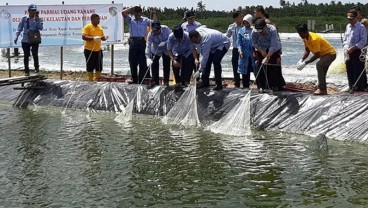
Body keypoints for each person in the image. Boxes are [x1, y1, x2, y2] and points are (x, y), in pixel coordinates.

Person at [295, 23, 336, 95]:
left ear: (306, 31)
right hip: (323, 55)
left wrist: (305, 63)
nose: (300, 35)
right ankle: (323, 89)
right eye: (299, 34)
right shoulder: (305, 38)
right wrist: (302, 59)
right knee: (322, 72)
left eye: (301, 33)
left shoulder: (314, 39)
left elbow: (317, 55)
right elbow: (307, 50)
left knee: (319, 65)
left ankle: (322, 89)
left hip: (330, 54)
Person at [122, 6, 157, 84]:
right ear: (133, 12)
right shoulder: (130, 19)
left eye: (139, 12)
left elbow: (155, 23)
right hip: (133, 42)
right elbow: (123, 13)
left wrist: (154, 13)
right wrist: (132, 8)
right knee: (132, 61)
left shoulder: (145, 20)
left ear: (141, 13)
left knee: (143, 62)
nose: (137, 14)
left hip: (142, 41)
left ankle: (141, 80)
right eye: (136, 12)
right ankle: (134, 79)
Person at [251, 18, 285, 92]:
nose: (260, 33)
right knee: (260, 66)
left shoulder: (272, 30)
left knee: (273, 67)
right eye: (258, 31)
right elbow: (254, 43)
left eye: (261, 31)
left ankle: (274, 86)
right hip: (262, 48)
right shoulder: (254, 31)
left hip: (273, 49)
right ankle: (261, 87)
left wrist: (267, 57)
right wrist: (261, 51)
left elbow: (273, 45)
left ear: (265, 27)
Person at [14, 4, 43, 76]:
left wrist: (37, 20)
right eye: (32, 10)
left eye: (35, 10)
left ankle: (36, 68)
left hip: (34, 39)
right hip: (25, 40)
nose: (33, 12)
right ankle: (26, 71)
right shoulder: (24, 19)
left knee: (35, 54)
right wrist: (16, 36)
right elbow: (19, 28)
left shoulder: (38, 19)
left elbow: (40, 28)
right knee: (26, 55)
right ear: (29, 11)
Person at [343, 9, 368, 92]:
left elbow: (363, 41)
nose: (349, 20)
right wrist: (346, 46)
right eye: (348, 18)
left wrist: (353, 48)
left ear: (356, 18)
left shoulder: (361, 27)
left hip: (357, 51)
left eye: (351, 18)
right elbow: (346, 38)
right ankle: (351, 87)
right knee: (349, 70)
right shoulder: (348, 26)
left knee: (358, 70)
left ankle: (359, 89)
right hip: (348, 51)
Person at [81, 14, 109, 81]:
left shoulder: (100, 28)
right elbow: (83, 37)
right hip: (89, 50)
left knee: (99, 66)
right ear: (92, 19)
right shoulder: (87, 27)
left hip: (98, 50)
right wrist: (93, 38)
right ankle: (90, 80)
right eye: (97, 19)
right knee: (90, 66)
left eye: (99, 19)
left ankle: (98, 79)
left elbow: (102, 37)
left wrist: (105, 38)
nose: (99, 20)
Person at [145, 21, 171, 87]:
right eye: (155, 30)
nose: (156, 32)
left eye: (158, 30)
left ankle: (166, 82)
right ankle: (155, 81)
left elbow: (171, 38)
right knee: (154, 65)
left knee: (166, 64)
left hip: (166, 49)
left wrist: (165, 42)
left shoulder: (166, 29)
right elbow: (148, 45)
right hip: (156, 49)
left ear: (160, 28)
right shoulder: (151, 34)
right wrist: (148, 57)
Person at [181, 10, 202, 83]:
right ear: (186, 18)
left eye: (193, 18)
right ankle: (187, 80)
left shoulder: (198, 25)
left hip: (196, 46)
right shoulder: (183, 25)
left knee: (196, 63)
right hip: (187, 48)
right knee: (187, 65)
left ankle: (197, 79)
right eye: (190, 18)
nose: (191, 20)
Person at [237, 14, 256, 89]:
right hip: (244, 54)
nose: (246, 24)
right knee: (245, 72)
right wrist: (240, 50)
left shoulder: (254, 30)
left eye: (247, 22)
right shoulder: (241, 31)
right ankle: (245, 87)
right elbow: (239, 43)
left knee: (256, 71)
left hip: (253, 54)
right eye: (244, 22)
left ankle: (260, 87)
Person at [226, 11, 244, 88]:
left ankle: (245, 82)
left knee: (244, 65)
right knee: (235, 65)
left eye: (242, 16)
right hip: (235, 49)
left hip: (244, 49)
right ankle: (237, 82)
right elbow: (227, 37)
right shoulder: (231, 27)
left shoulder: (245, 25)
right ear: (236, 18)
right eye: (240, 17)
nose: (242, 18)